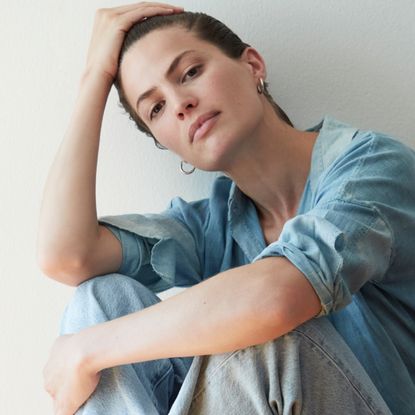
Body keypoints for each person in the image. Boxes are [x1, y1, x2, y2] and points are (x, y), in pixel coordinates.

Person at [37, 2, 415, 415]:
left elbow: (275, 299)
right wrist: (94, 77)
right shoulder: (212, 227)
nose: (180, 103)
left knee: (266, 339)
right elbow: (68, 256)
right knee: (100, 299)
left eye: (190, 73)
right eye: (156, 109)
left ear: (252, 65)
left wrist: (86, 351)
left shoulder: (372, 167)